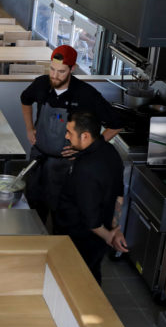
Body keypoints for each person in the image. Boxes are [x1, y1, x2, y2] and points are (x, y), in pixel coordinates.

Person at [19, 45, 123, 230]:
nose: (54, 75)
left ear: (72, 69)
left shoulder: (86, 94)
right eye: (52, 69)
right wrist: (28, 128)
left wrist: (88, 150)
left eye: (61, 71)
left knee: (62, 213)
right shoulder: (41, 84)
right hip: (38, 157)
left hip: (65, 165)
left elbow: (116, 123)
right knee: (32, 205)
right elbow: (25, 100)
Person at [54, 111, 128, 283]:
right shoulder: (110, 151)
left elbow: (91, 219)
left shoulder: (86, 169)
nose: (66, 136)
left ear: (85, 136)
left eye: (70, 133)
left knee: (75, 280)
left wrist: (108, 236)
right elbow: (119, 194)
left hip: (78, 237)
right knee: (93, 273)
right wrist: (115, 228)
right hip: (101, 233)